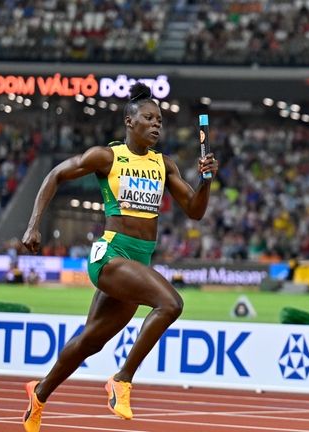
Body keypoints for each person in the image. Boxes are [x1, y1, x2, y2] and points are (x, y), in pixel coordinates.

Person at [20, 83, 218, 432]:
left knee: (90, 341)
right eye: (148, 118)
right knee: (171, 304)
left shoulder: (164, 165)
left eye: (160, 120)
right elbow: (55, 175)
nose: (156, 125)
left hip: (136, 263)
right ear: (130, 122)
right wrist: (33, 225)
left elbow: (195, 211)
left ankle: (39, 394)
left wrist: (205, 181)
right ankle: (122, 380)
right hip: (111, 255)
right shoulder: (107, 157)